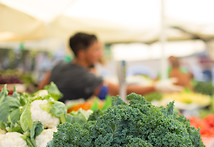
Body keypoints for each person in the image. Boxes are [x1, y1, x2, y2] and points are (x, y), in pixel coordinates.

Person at [39, 32, 182, 102]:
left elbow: (41, 89)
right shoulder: (84, 76)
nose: (100, 54)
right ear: (82, 54)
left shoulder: (59, 66)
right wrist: (155, 87)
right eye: (95, 50)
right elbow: (120, 91)